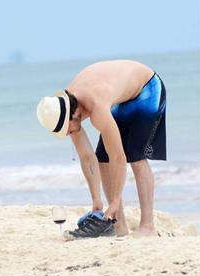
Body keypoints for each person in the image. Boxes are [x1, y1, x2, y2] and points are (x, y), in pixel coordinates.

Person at [36, 60, 166, 238]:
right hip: (121, 95)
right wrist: (96, 200)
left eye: (64, 129)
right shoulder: (65, 107)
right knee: (102, 158)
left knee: (136, 156)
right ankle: (118, 226)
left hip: (146, 88)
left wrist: (114, 200)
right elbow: (87, 158)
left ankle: (148, 226)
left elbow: (119, 157)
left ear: (74, 116)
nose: (66, 134)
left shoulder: (97, 109)